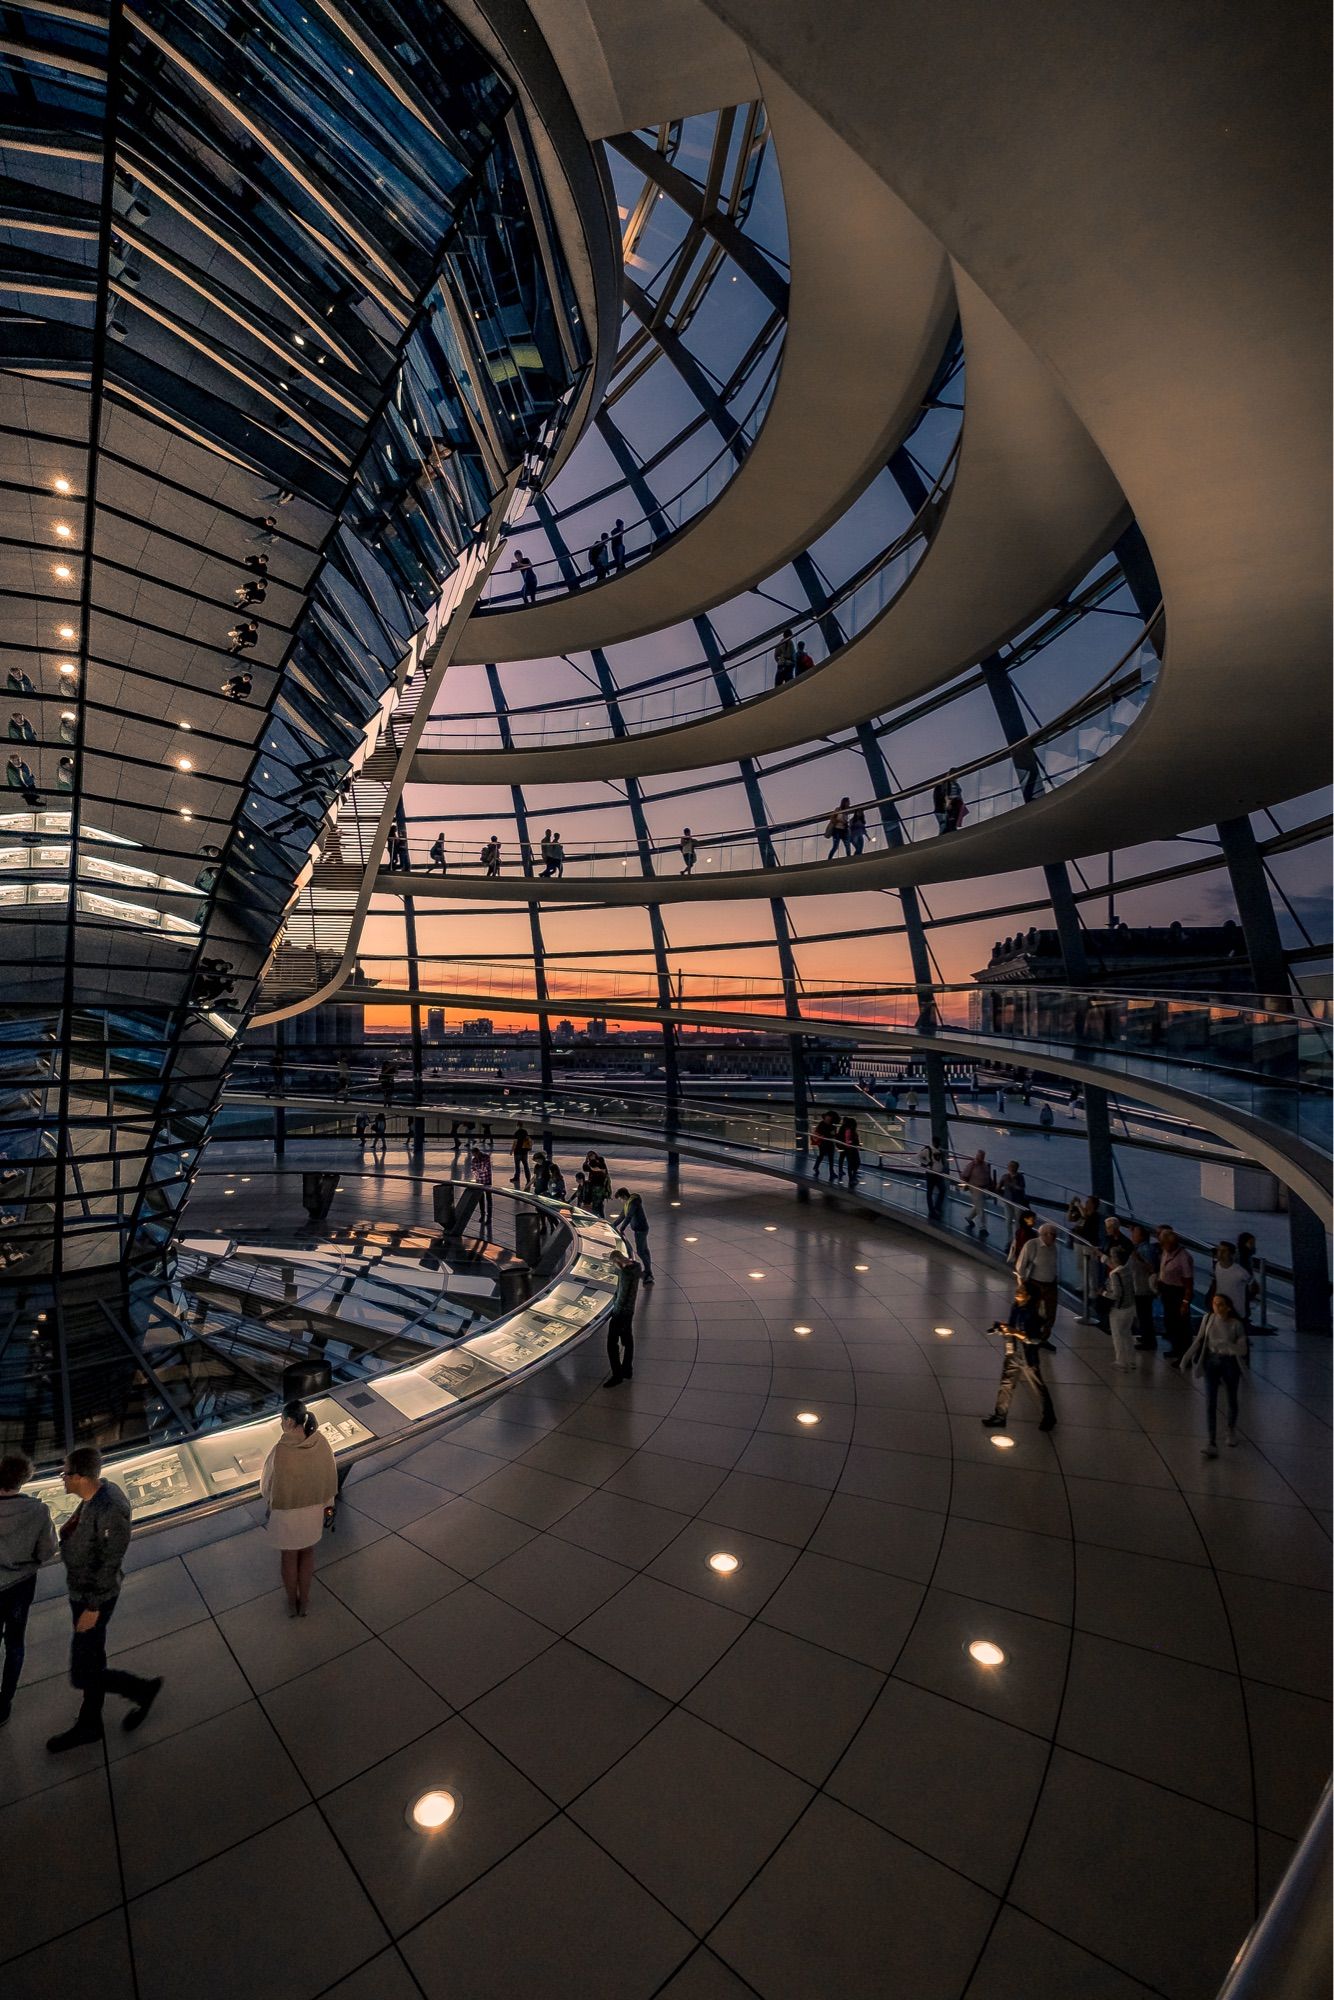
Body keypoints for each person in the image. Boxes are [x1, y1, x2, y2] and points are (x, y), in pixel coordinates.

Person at [47, 1446, 163, 1752]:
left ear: (82, 1477)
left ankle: (140, 1689)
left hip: (92, 1598)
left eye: (66, 1472)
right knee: (92, 1660)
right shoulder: (95, 1498)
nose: (62, 1478)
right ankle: (89, 1724)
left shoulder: (109, 1506)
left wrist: (93, 1607)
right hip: (84, 1593)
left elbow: (111, 1559)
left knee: (82, 1673)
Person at [260, 1402, 338, 1616]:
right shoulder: (320, 1442)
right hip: (314, 1509)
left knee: (289, 1556)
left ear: (289, 1421)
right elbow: (329, 1473)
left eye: (281, 1420)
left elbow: (267, 1485)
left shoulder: (281, 1450)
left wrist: (271, 1501)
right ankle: (304, 1601)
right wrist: (328, 1506)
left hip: (287, 1513)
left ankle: (292, 1603)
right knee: (308, 1552)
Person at [0, 1451, 56, 1727]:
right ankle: (4, 1703)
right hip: (20, 1588)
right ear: (24, 1480)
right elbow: (46, 1551)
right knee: (15, 1644)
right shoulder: (38, 1510)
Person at [981, 1285, 1057, 1431]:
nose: (1017, 1292)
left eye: (1021, 1291)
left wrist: (1014, 1332)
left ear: (1029, 1296)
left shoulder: (1033, 1314)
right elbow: (1012, 1326)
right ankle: (1000, 1416)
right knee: (1006, 1384)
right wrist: (1002, 1328)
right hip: (1012, 1352)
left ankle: (1049, 1417)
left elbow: (1034, 1339)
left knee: (1037, 1386)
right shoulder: (1015, 1306)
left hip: (1027, 1356)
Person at [1182, 1295, 1249, 1456]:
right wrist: (1186, 1358)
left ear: (1228, 1307)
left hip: (1230, 1363)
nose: (1217, 1307)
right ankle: (1211, 1441)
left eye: (1220, 1304)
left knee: (1231, 1397)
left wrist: (1227, 1345)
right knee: (1210, 1401)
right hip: (1211, 1362)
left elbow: (1242, 1349)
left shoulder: (1236, 1325)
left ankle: (1230, 1429)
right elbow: (1199, 1340)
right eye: (1214, 1303)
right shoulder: (1208, 1319)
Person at [1016, 1222, 1061, 1344]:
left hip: (1050, 1284)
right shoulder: (1032, 1245)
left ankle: (1044, 1337)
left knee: (1050, 1312)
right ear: (1043, 1234)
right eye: (1051, 1235)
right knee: (1033, 1311)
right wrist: (1022, 1283)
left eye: (1054, 1235)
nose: (1053, 1237)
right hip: (1035, 1283)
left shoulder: (1054, 1247)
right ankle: (1030, 1335)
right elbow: (1021, 1265)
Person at [1156, 1229, 1195, 1362]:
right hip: (1167, 1290)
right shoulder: (1166, 1252)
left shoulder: (1183, 1257)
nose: (1163, 1246)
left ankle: (1185, 1354)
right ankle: (1176, 1348)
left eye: (1164, 1243)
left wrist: (1185, 1301)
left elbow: (1188, 1282)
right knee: (1170, 1321)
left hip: (1178, 1292)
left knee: (1181, 1324)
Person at [604, 1251, 641, 1386]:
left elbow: (622, 1296)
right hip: (630, 1311)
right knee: (628, 1340)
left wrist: (614, 1308)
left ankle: (617, 1375)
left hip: (621, 1313)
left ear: (618, 1262)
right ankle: (627, 1368)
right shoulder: (636, 1267)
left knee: (611, 1344)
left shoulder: (625, 1274)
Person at [1102, 1244, 1138, 1369]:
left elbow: (1116, 1294)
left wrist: (1103, 1293)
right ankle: (1132, 1359)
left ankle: (1121, 1360)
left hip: (1119, 1309)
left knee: (1117, 1335)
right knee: (1127, 1334)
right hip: (1130, 1307)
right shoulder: (1127, 1269)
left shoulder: (1114, 1275)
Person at [1127, 1224, 1158, 1347]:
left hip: (1143, 1287)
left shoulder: (1146, 1250)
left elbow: (1151, 1268)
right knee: (1142, 1314)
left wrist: (1138, 1258)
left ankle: (1149, 1340)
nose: (1132, 1236)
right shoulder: (1140, 1248)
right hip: (1138, 1286)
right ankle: (1146, 1337)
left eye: (1135, 1234)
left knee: (1145, 1314)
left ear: (1142, 1236)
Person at [615, 1187, 654, 1282]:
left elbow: (629, 1216)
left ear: (623, 1196)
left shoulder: (633, 1202)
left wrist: (622, 1228)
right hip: (639, 1229)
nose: (621, 1201)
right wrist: (612, 1226)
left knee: (641, 1251)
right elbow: (622, 1216)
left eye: (620, 1199)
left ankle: (648, 1273)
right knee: (644, 1250)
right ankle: (648, 1271)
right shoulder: (628, 1204)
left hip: (641, 1229)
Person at [1211, 1240, 1254, 1321]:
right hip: (1220, 1310)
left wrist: (1247, 1298)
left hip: (1236, 1312)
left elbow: (1252, 1285)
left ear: (1231, 1254)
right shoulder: (1217, 1266)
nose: (1220, 1253)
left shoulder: (1240, 1271)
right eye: (1219, 1250)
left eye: (1224, 1251)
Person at [959, 1148, 994, 1234]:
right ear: (977, 1156)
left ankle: (969, 1217)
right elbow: (964, 1175)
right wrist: (964, 1185)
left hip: (984, 1188)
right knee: (981, 1208)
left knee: (979, 1205)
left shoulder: (985, 1165)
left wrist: (991, 1186)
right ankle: (983, 1228)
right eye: (980, 1156)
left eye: (982, 1157)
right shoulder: (972, 1165)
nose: (981, 1158)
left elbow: (988, 1176)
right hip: (975, 1188)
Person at [920, 1137, 948, 1221]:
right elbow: (919, 1156)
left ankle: (937, 1207)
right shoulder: (927, 1150)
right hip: (931, 1174)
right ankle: (932, 1210)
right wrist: (926, 1163)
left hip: (938, 1174)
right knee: (930, 1192)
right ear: (934, 1142)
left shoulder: (940, 1151)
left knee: (942, 1190)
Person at [472, 1144, 493, 1233]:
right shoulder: (474, 1160)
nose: (475, 1156)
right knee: (480, 1199)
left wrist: (478, 1172)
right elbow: (473, 1169)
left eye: (475, 1154)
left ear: (478, 1152)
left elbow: (485, 1168)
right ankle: (482, 1214)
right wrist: (476, 1175)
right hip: (479, 1181)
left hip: (487, 1180)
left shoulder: (486, 1157)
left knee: (488, 1198)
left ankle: (489, 1217)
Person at [813, 1109, 839, 1183]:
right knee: (822, 1155)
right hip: (823, 1142)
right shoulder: (823, 1124)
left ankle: (830, 1171)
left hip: (830, 1142)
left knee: (830, 1157)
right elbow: (824, 1133)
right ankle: (817, 1167)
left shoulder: (831, 1125)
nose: (828, 1119)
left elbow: (833, 1134)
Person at [837, 1114, 861, 1187]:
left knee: (852, 1163)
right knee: (854, 1163)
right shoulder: (849, 1130)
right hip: (850, 1149)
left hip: (850, 1149)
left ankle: (852, 1177)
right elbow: (849, 1141)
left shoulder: (849, 1130)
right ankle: (852, 1178)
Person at [511, 1121, 532, 1189]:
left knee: (517, 1166)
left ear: (517, 1125)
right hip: (524, 1151)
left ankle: (517, 1177)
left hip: (517, 1152)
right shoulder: (525, 1132)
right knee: (526, 1165)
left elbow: (515, 1142)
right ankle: (528, 1178)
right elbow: (527, 1140)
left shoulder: (516, 1133)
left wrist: (512, 1150)